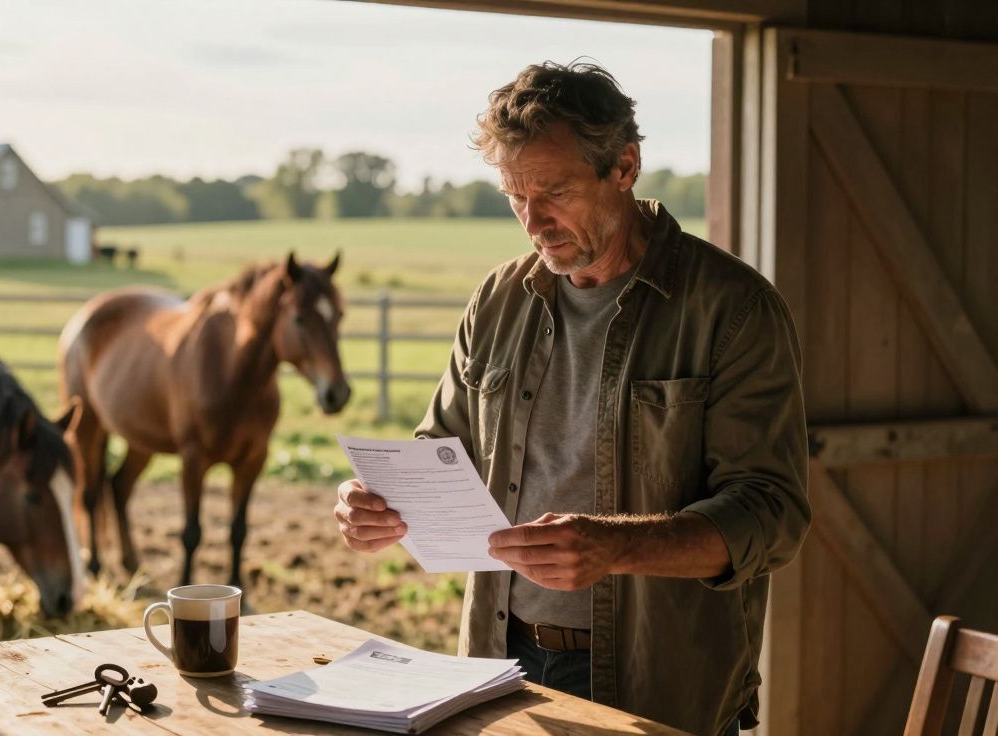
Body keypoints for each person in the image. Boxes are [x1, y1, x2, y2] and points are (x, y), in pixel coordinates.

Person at [333, 61, 809, 736]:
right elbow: (439, 449)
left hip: (662, 683)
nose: (533, 222)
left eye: (553, 192)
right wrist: (378, 501)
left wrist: (616, 546)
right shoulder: (498, 298)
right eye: (514, 196)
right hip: (500, 663)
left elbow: (772, 513)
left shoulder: (733, 308)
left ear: (624, 165)